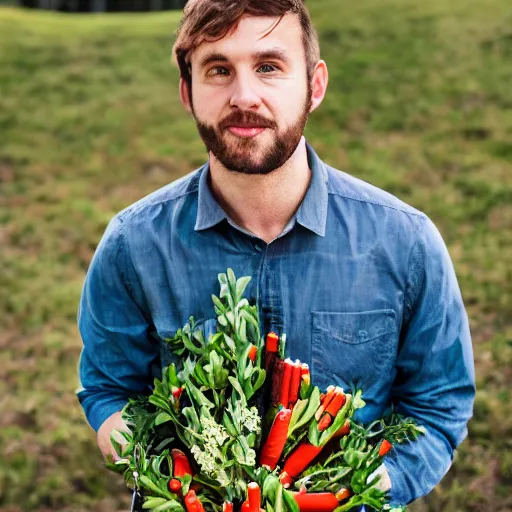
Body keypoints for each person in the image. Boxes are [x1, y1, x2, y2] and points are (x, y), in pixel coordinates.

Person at [76, 0, 475, 506]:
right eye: (218, 70)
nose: (245, 96)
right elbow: (109, 390)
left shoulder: (407, 242)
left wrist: (348, 497)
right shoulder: (133, 244)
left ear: (315, 84)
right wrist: (182, 489)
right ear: (187, 92)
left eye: (268, 66)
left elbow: (437, 408)